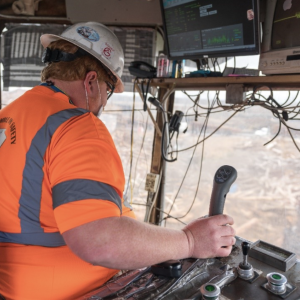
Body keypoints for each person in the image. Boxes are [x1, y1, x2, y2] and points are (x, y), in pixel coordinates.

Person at [0, 22, 236, 300]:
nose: (105, 102)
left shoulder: (12, 112)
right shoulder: (77, 126)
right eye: (108, 89)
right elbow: (99, 242)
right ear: (90, 82)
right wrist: (190, 241)